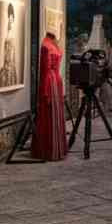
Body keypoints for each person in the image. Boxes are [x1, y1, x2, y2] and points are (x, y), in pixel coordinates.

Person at [31, 32, 67, 161]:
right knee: (54, 114)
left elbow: (44, 71)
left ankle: (47, 149)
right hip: (57, 80)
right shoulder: (54, 45)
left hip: (50, 81)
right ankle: (57, 148)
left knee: (48, 113)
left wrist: (44, 91)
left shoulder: (45, 46)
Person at [0, 4, 19, 88]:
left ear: (13, 19)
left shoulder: (12, 34)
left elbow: (12, 51)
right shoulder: (8, 32)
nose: (9, 20)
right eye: (9, 18)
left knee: (9, 80)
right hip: (6, 63)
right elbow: (5, 50)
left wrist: (9, 62)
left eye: (11, 18)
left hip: (10, 64)